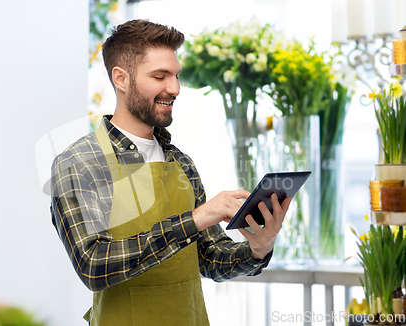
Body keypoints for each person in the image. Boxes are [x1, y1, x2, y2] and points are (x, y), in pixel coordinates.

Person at [50, 19, 292, 326]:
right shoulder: (80, 162)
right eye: (159, 76)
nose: (175, 88)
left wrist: (259, 248)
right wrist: (196, 219)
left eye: (175, 75)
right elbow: (94, 265)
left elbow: (210, 258)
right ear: (121, 79)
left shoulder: (180, 162)